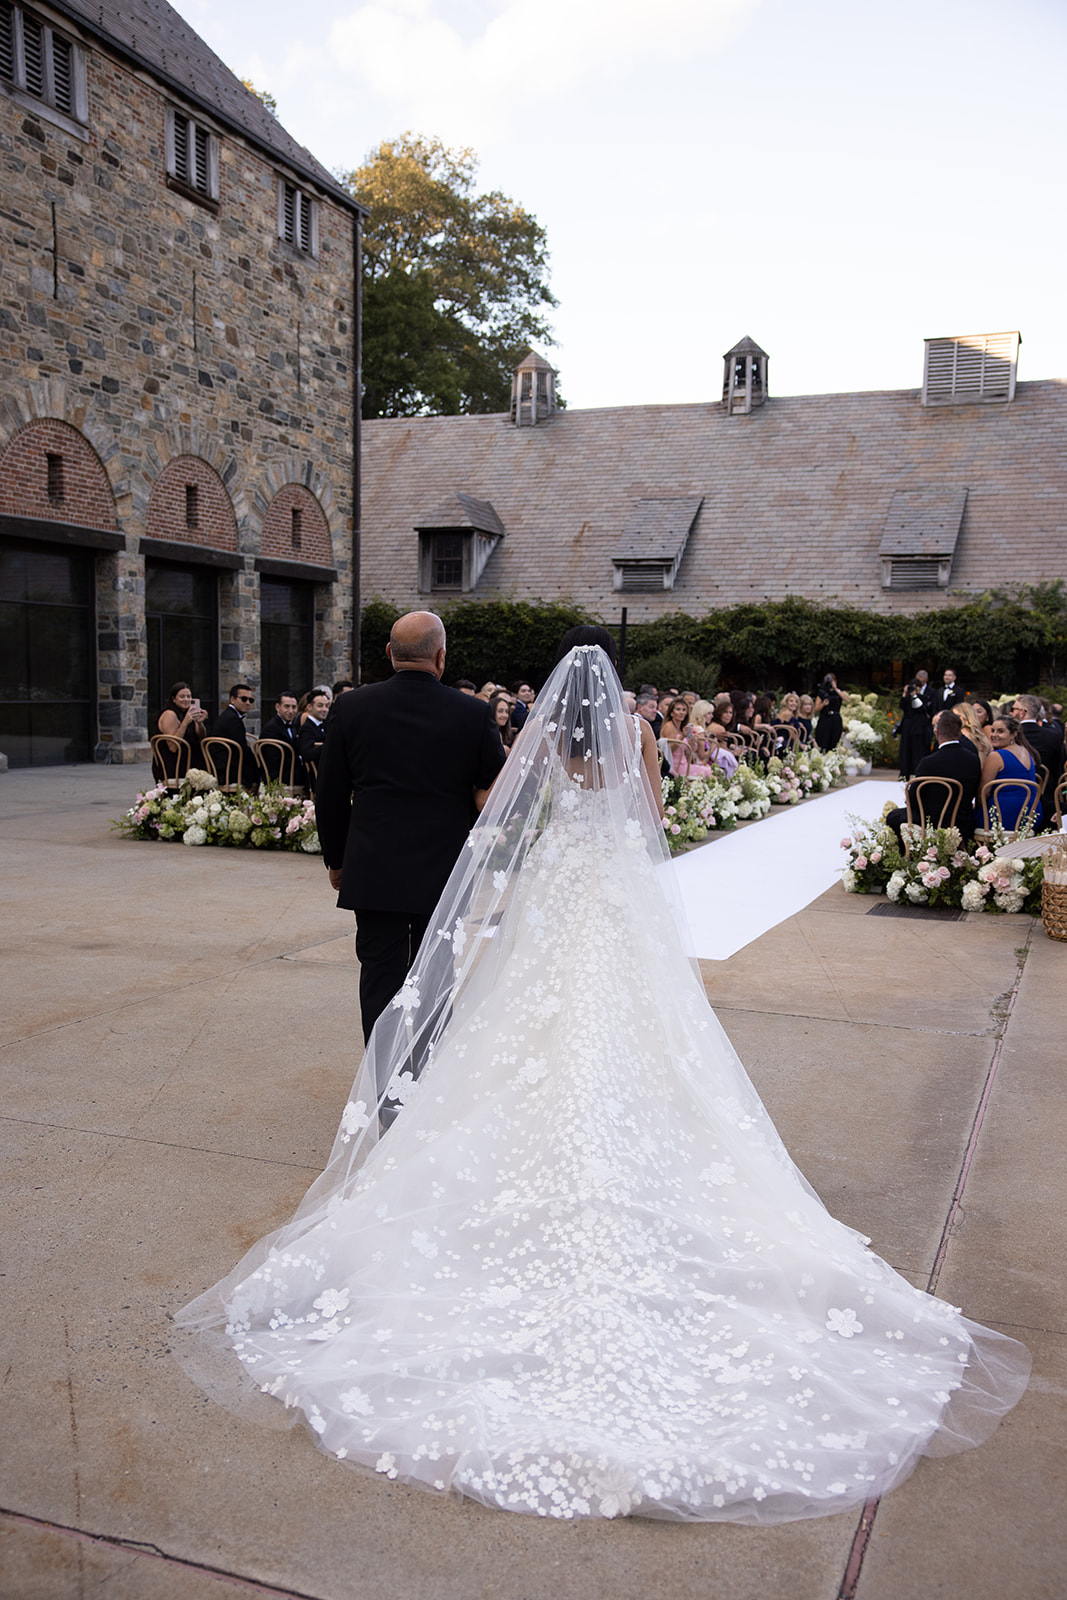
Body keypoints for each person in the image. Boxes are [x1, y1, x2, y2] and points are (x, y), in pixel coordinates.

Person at [175, 633, 1028, 1526]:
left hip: (552, 883)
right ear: (614, 692)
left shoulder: (532, 740)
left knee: (509, 1012)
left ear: (553, 700)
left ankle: (421, 1085)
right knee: (637, 1019)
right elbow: (652, 817)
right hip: (610, 884)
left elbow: (506, 807)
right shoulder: (637, 734)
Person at [313, 611, 507, 1052]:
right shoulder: (473, 714)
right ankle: (424, 1079)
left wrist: (337, 859)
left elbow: (330, 791)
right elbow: (494, 790)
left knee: (379, 973)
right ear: (441, 656)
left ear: (389, 654)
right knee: (437, 974)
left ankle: (382, 1085)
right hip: (442, 868)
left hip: (373, 864)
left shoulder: (352, 706)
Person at [884, 709, 981, 844]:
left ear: (937, 731)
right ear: (959, 733)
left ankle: (910, 856)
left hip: (934, 820)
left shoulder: (929, 762)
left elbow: (913, 797)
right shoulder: (973, 759)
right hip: (963, 819)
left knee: (893, 816)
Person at [978, 715, 1040, 832]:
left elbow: (983, 792)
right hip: (1031, 813)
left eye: (1000, 731)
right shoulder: (1025, 751)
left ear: (1013, 734)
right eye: (992, 730)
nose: (994, 735)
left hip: (1004, 816)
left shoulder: (996, 756)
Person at [1012, 694, 1065, 823]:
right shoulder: (1054, 735)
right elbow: (1057, 768)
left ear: (1022, 713)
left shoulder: (1012, 736)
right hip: (1045, 792)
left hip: (1013, 791)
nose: (1011, 713)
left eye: (1013, 709)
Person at [154, 681, 207, 779]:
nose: (186, 699)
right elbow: (173, 746)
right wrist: (185, 723)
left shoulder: (188, 713)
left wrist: (199, 722)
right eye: (182, 697)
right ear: (174, 699)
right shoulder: (169, 714)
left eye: (189, 696)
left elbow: (201, 736)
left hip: (191, 759)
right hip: (174, 764)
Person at [213, 684, 259, 789]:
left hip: (225, 767)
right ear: (232, 700)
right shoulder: (232, 719)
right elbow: (242, 749)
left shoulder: (228, 716)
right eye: (243, 699)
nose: (247, 703)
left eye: (250, 700)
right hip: (229, 772)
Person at [258, 691, 306, 787]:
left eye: (294, 707)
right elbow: (273, 760)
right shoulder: (271, 728)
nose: (291, 711)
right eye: (287, 706)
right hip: (279, 776)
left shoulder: (293, 726)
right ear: (277, 707)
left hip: (290, 771)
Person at [897, 676, 933, 779]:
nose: (915, 688)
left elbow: (920, 708)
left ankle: (917, 772)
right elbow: (902, 706)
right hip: (907, 726)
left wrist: (914, 696)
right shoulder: (907, 698)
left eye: (917, 686)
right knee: (905, 749)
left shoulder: (923, 698)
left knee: (917, 750)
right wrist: (905, 693)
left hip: (918, 727)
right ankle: (904, 773)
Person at [297, 688, 331, 772]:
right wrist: (329, 746)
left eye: (326, 706)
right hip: (317, 775)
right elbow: (307, 754)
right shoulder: (307, 728)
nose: (324, 709)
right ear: (309, 707)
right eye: (320, 706)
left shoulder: (325, 725)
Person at [813, 673, 843, 752]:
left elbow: (846, 698)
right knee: (823, 741)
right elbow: (815, 709)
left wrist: (835, 688)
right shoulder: (822, 693)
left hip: (836, 718)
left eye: (832, 680)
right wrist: (823, 704)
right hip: (825, 718)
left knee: (834, 742)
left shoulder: (839, 692)